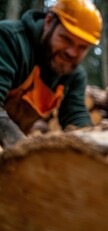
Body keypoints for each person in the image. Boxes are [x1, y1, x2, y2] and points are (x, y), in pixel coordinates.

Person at [0, 0, 102, 148]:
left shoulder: (74, 74)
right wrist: (19, 146)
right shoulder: (9, 39)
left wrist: (93, 145)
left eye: (82, 47)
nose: (71, 52)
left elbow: (75, 115)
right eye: (66, 39)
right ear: (48, 22)